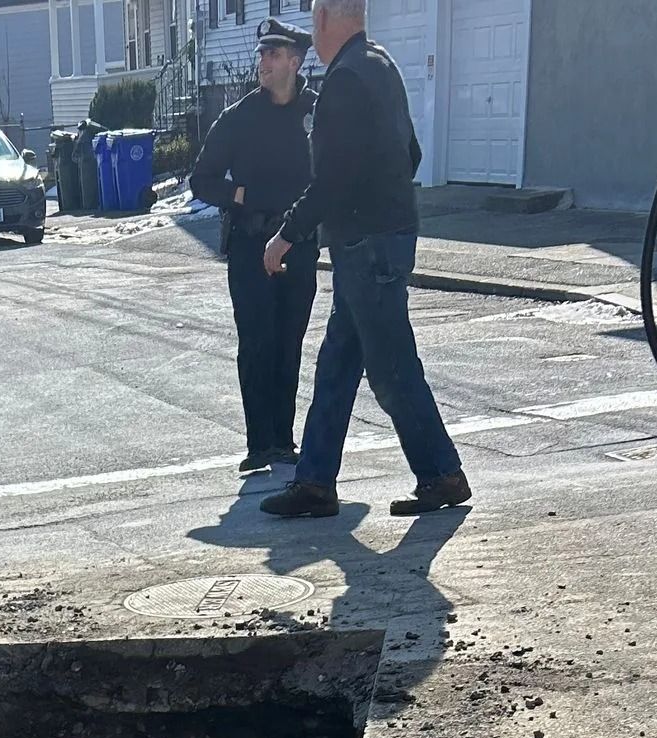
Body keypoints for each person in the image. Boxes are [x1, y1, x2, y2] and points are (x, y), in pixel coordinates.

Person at [259, 0, 470, 519]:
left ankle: (441, 472)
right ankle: (315, 482)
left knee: (392, 366)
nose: (314, 30)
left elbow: (333, 179)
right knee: (337, 362)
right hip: (381, 235)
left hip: (367, 242)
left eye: (314, 20)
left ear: (329, 17)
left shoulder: (347, 79)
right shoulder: (380, 65)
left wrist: (286, 234)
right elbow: (410, 153)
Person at [188, 19, 319, 476]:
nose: (262, 62)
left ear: (295, 62)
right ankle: (259, 443)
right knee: (257, 343)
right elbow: (201, 179)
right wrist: (238, 196)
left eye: (273, 54)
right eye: (261, 53)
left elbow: (332, 176)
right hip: (249, 245)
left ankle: (283, 440)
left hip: (298, 245)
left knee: (289, 344)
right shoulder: (239, 117)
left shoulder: (315, 113)